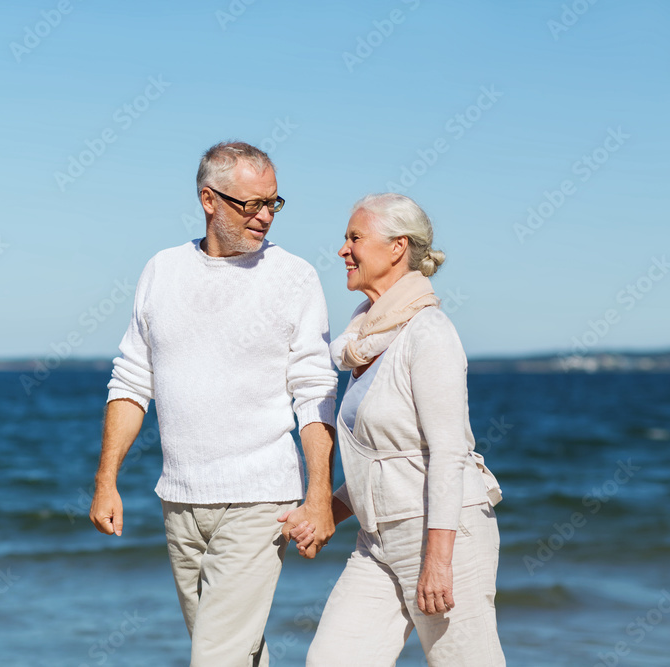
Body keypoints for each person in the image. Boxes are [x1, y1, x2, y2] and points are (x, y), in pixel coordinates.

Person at [89, 141, 339, 666]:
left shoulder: (294, 277)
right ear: (209, 199)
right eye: (252, 204)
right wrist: (106, 480)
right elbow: (133, 379)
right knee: (235, 651)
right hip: (180, 499)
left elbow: (315, 391)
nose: (266, 216)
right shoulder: (161, 270)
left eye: (274, 202)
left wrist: (319, 495)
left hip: (260, 498)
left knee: (215, 658)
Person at [290, 193, 505, 665]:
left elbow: (449, 453)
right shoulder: (366, 336)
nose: (343, 251)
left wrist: (438, 559)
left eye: (354, 238)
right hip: (377, 543)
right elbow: (384, 464)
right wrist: (324, 510)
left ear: (396, 248)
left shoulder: (428, 332)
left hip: (444, 536)